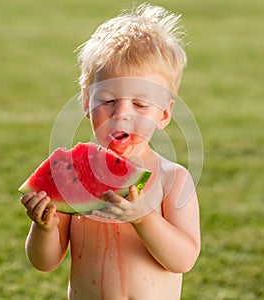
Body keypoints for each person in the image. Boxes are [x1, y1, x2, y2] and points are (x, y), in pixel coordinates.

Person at [21, 3, 201, 299]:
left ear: (164, 114)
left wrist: (144, 218)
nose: (122, 115)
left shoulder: (173, 179)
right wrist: (42, 228)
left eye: (141, 105)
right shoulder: (72, 178)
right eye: (107, 101)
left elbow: (183, 259)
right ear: (85, 102)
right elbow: (45, 262)